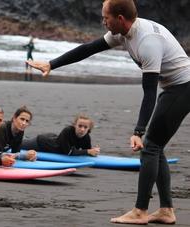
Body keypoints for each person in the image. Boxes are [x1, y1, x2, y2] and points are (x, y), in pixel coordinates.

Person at [27, 0, 190, 224]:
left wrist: (138, 131)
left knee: (150, 147)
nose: (103, 21)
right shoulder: (123, 33)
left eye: (106, 17)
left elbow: (149, 92)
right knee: (156, 147)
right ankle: (166, 210)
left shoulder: (147, 42)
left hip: (182, 89)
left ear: (120, 18)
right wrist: (51, 64)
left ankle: (141, 211)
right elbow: (88, 49)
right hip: (175, 88)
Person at [21, 114, 100, 156]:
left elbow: (87, 151)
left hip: (54, 139)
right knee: (19, 144)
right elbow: (68, 152)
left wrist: (94, 151)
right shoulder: (67, 131)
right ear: (75, 125)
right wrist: (88, 151)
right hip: (41, 143)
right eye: (80, 126)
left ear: (89, 129)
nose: (82, 129)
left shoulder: (86, 137)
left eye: (85, 127)